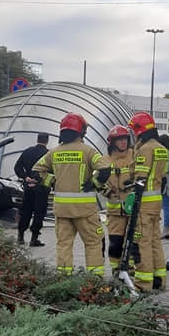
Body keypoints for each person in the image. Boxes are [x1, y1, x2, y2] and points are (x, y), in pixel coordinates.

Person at [29, 113, 109, 276]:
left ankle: (63, 279)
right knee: (93, 243)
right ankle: (95, 281)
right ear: (82, 131)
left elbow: (36, 171)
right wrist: (94, 184)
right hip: (84, 210)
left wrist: (51, 181)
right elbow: (105, 169)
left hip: (62, 209)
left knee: (63, 244)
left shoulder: (54, 152)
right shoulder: (88, 151)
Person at [128, 111, 169, 292]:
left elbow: (139, 178)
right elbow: (164, 175)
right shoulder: (161, 148)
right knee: (155, 241)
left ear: (140, 130)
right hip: (156, 201)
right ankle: (159, 278)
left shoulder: (145, 149)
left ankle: (143, 283)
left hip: (144, 202)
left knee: (142, 242)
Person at [99, 125, 136, 272]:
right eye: (119, 140)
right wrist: (107, 192)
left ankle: (131, 271)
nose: (123, 142)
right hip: (114, 211)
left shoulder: (135, 155)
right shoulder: (105, 160)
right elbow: (97, 181)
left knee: (132, 241)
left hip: (133, 208)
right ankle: (116, 271)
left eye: (125, 139)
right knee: (115, 242)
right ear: (112, 142)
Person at [14, 132, 51, 246]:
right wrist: (40, 180)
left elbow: (17, 167)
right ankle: (34, 239)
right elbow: (53, 172)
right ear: (47, 141)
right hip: (42, 189)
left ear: (37, 139)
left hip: (28, 188)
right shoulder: (48, 154)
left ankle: (20, 236)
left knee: (26, 211)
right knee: (39, 213)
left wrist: (26, 177)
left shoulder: (28, 151)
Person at [158, 134, 169, 240]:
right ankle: (166, 228)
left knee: (165, 206)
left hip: (164, 184)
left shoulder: (163, 154)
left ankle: (166, 229)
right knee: (166, 206)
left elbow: (163, 171)